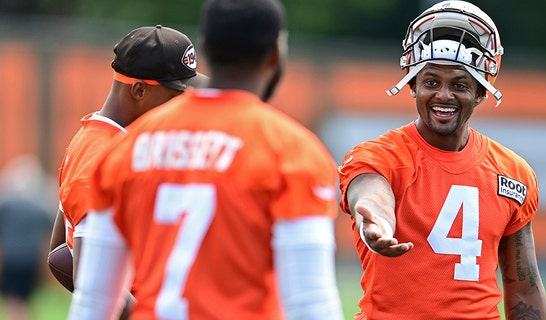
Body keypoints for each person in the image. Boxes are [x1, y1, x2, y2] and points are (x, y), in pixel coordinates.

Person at [67, 0, 344, 319]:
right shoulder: (292, 151)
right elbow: (310, 303)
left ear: (205, 48)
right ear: (275, 54)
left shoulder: (126, 149)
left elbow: (93, 301)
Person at [338, 1, 546, 319]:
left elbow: (524, 286)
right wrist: (378, 221)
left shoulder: (513, 173)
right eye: (431, 82)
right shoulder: (379, 155)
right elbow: (370, 192)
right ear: (412, 85)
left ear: (481, 92)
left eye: (460, 85)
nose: (444, 96)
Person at [48, 25, 207, 318]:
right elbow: (91, 281)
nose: (184, 105)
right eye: (176, 95)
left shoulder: (90, 138)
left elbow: (59, 251)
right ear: (139, 90)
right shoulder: (104, 155)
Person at [0, 155, 55, 320]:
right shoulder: (39, 205)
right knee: (24, 299)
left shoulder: (6, 202)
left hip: (12, 258)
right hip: (33, 258)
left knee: (14, 300)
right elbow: (52, 225)